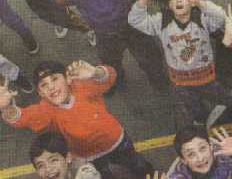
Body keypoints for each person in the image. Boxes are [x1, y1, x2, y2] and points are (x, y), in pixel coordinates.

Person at [0, 60, 155, 178]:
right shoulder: (45, 110)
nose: (51, 87)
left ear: (68, 79)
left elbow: (110, 76)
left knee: (138, 167)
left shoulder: (83, 86)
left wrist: (96, 72)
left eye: (55, 79)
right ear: (41, 93)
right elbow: (22, 117)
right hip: (87, 158)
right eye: (44, 85)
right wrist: (6, 107)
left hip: (118, 143)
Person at [128, 0, 232, 127]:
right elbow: (135, 20)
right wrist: (143, 0)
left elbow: (221, 17)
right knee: (192, 104)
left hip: (208, 76)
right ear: (169, 4)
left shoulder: (202, 19)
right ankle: (200, 119)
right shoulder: (162, 21)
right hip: (180, 81)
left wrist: (200, 3)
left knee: (221, 96)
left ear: (191, 2)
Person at [55, 0, 169, 94]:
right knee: (111, 63)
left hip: (131, 25)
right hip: (105, 33)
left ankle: (159, 82)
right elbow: (60, 0)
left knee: (150, 58)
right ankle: (115, 81)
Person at [167, 125, 232, 179]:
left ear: (211, 147)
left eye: (202, 148)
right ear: (183, 160)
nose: (200, 158)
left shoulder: (219, 157)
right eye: (191, 154)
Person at [30, 132, 100, 179]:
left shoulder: (85, 174)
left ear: (68, 158)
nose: (48, 169)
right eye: (41, 165)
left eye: (53, 160)